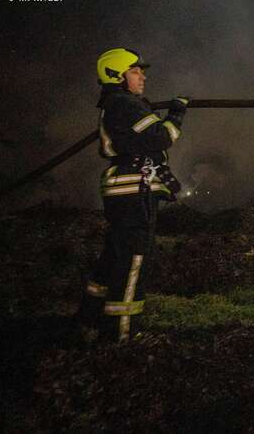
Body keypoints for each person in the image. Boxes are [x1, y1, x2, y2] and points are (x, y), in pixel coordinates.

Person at [76, 48, 189, 343]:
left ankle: (88, 319)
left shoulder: (119, 105)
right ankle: (121, 334)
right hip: (132, 192)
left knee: (114, 256)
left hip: (123, 189)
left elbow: (140, 140)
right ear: (117, 75)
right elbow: (161, 138)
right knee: (134, 259)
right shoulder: (125, 104)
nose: (143, 76)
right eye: (136, 71)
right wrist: (176, 115)